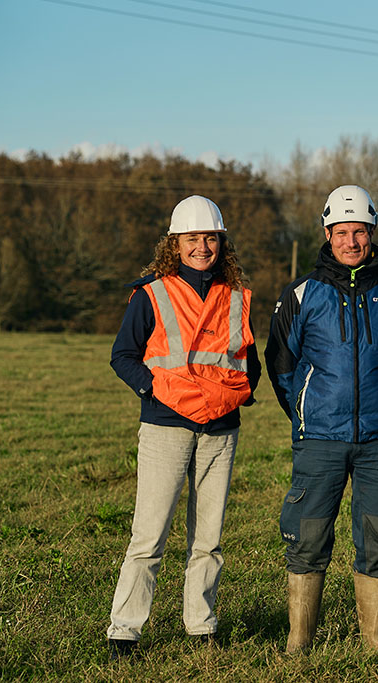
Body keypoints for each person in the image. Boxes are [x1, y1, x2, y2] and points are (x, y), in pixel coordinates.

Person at [265, 185, 378, 654]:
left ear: (373, 233)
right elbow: (280, 362)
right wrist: (305, 410)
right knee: (308, 534)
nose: (351, 242)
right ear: (327, 234)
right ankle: (299, 640)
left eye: (359, 232)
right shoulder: (302, 293)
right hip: (320, 438)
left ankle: (375, 637)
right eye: (342, 232)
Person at [106, 195, 259, 659]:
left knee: (208, 539)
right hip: (166, 427)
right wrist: (153, 391)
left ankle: (201, 626)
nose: (202, 247)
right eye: (192, 238)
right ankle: (124, 631)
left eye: (210, 238)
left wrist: (239, 394)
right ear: (175, 244)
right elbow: (123, 356)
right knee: (149, 536)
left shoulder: (236, 297)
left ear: (221, 243)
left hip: (221, 430)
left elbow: (249, 361)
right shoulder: (152, 294)